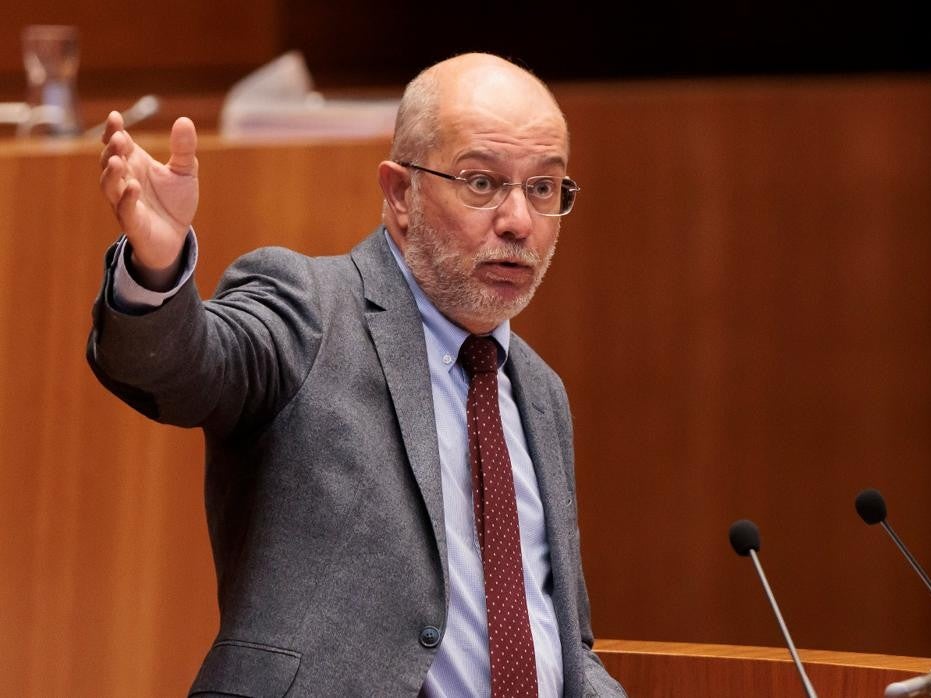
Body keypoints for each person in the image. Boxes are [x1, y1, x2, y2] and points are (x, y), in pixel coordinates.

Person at [90, 52, 625, 697]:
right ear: (401, 194)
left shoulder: (539, 395)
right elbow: (187, 370)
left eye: (542, 188)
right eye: (482, 183)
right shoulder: (310, 308)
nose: (518, 222)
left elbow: (560, 637)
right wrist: (157, 269)